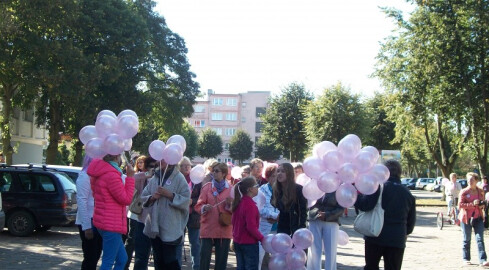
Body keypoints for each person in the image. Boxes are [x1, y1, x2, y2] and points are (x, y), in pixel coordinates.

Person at [354, 159, 416, 270]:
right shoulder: (407, 192)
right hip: (397, 238)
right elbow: (411, 222)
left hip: (375, 235)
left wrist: (355, 196)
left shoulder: (378, 187)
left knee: (371, 267)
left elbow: (366, 205)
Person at [141, 158, 190, 270]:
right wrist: (152, 197)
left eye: (165, 158)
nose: (161, 160)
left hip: (171, 226)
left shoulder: (179, 178)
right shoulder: (155, 177)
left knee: (170, 261)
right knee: (158, 260)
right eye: (160, 158)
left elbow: (186, 200)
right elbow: (143, 197)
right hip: (155, 225)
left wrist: (170, 195)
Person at [88, 154, 135, 270]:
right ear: (116, 157)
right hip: (111, 224)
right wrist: (130, 177)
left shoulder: (101, 172)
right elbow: (126, 199)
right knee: (108, 262)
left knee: (122, 259)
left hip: (104, 221)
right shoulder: (111, 175)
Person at [195, 162, 233, 270]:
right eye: (213, 171)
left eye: (217, 171)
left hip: (223, 229)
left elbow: (235, 210)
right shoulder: (206, 188)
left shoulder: (231, 189)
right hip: (208, 228)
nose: (214, 173)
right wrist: (204, 207)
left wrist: (230, 205)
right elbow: (198, 206)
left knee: (221, 261)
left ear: (224, 173)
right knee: (204, 260)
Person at [125, 156, 157, 270]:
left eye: (155, 167)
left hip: (157, 222)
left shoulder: (161, 179)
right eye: (151, 166)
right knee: (140, 255)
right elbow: (131, 178)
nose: (153, 169)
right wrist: (146, 174)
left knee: (157, 256)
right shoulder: (142, 178)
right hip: (141, 219)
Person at [75, 155, 102, 270]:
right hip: (88, 221)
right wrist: (87, 227)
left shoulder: (97, 176)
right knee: (90, 257)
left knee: (95, 255)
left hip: (97, 219)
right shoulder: (85, 176)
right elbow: (82, 201)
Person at [232, 176, 264, 270]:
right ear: (250, 189)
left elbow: (234, 222)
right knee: (251, 267)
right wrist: (261, 238)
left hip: (238, 241)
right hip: (249, 243)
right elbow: (251, 227)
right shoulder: (250, 205)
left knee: (241, 267)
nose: (258, 187)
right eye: (256, 185)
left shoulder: (239, 202)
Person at [306, 192, 344, 270]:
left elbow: (341, 208)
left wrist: (327, 215)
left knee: (331, 251)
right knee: (314, 250)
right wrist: (316, 213)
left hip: (332, 221)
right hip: (314, 219)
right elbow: (307, 202)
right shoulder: (314, 184)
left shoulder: (338, 188)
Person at [458, 172, 489, 266]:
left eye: (472, 180)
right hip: (466, 218)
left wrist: (482, 205)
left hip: (478, 217)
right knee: (466, 239)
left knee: (480, 238)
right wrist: (472, 204)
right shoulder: (464, 192)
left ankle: (483, 259)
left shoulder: (481, 191)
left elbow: (483, 203)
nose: (469, 181)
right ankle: (466, 258)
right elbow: (460, 205)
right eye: (468, 180)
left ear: (476, 181)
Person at [271, 163, 307, 236]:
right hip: (282, 227)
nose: (279, 174)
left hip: (295, 228)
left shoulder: (298, 189)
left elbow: (302, 212)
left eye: (283, 171)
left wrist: (300, 231)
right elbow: (274, 203)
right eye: (278, 171)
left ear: (289, 173)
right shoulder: (276, 189)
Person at [255, 164, 279, 270]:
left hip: (278, 228)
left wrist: (279, 217)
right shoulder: (261, 190)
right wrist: (274, 215)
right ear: (268, 177)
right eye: (273, 176)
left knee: (277, 258)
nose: (276, 178)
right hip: (264, 227)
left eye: (277, 175)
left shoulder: (283, 190)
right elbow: (259, 208)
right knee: (259, 257)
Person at [180, 156, 202, 270]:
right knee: (178, 242)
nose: (186, 167)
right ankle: (177, 266)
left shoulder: (196, 180)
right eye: (183, 165)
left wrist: (192, 201)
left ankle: (196, 267)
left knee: (195, 243)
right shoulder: (177, 179)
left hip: (194, 215)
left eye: (188, 165)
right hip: (179, 214)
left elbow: (201, 197)